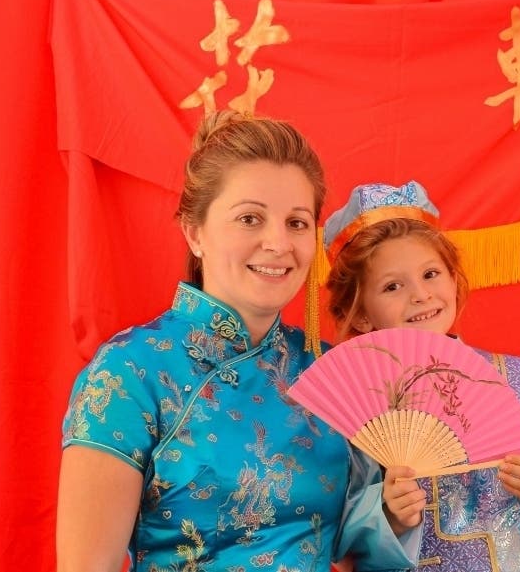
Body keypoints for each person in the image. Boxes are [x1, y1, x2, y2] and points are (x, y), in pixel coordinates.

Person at [56, 112, 424, 572]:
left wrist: (392, 517)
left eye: (296, 223)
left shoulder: (334, 373)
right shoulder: (132, 370)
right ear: (195, 232)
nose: (278, 243)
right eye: (250, 218)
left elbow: (361, 549)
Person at [322, 180, 520, 572]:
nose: (420, 295)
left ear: (454, 279)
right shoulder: (360, 406)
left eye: (431, 273)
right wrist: (386, 514)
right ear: (362, 314)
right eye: (392, 286)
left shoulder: (506, 376)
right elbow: (338, 516)